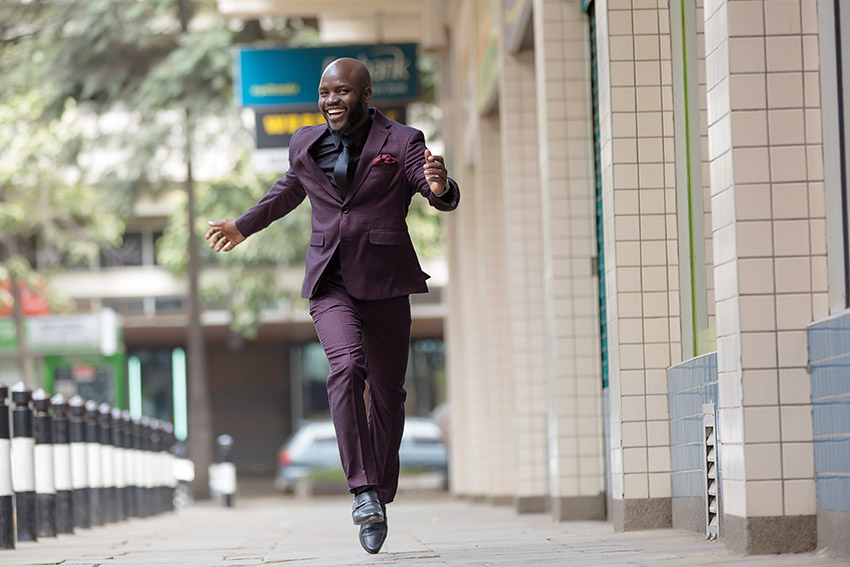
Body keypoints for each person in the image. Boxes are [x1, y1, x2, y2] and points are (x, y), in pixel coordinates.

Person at [206, 57, 460, 554]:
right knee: (347, 368)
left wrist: (440, 186)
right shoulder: (304, 142)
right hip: (330, 281)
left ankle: (381, 491)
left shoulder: (402, 141)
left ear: (366, 96)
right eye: (325, 93)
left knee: (388, 394)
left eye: (341, 92)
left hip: (386, 280)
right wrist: (244, 225)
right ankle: (363, 492)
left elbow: (431, 187)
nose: (330, 101)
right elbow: (289, 190)